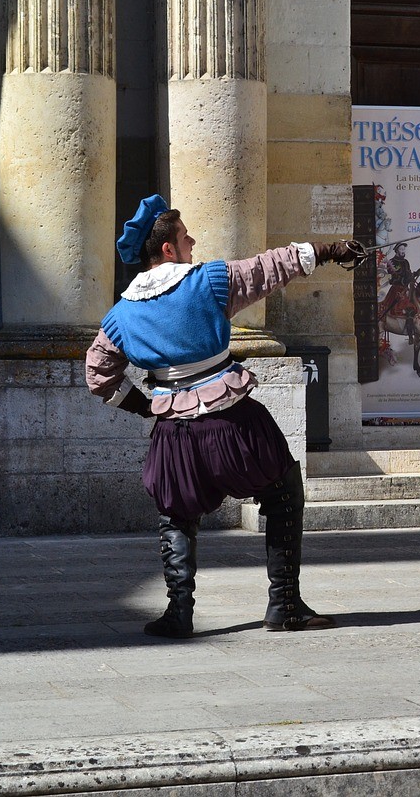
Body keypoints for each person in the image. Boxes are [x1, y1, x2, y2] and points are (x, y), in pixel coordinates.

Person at [85, 194, 359, 638]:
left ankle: (179, 614)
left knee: (176, 516)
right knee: (283, 491)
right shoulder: (208, 281)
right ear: (169, 249)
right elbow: (272, 266)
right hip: (232, 423)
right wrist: (332, 250)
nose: (192, 240)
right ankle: (285, 605)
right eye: (185, 236)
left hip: (173, 435)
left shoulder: (119, 317)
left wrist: (151, 407)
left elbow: (98, 375)